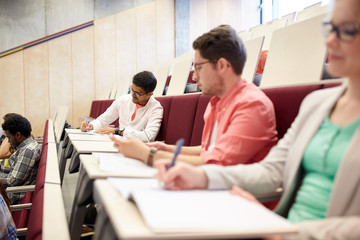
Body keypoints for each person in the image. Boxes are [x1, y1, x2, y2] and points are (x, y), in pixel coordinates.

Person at [155, 0, 360, 239]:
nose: (328, 42)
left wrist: (282, 232)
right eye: (329, 29)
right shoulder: (317, 104)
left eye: (345, 30)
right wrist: (201, 177)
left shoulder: (252, 102)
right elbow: (273, 171)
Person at [111, 25, 278, 167]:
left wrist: (148, 155)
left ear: (221, 66)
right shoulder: (216, 103)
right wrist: (168, 149)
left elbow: (218, 163)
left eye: (198, 67)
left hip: (239, 198)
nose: (194, 77)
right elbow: (209, 149)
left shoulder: (253, 104)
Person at [80, 70, 163, 142]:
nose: (133, 95)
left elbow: (148, 137)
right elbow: (104, 119)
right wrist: (90, 126)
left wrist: (118, 131)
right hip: (119, 143)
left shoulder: (156, 108)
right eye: (132, 90)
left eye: (137, 93)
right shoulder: (122, 100)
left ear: (149, 94)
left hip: (137, 149)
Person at [0, 115, 41, 204]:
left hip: (14, 196)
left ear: (18, 135)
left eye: (9, 137)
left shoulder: (28, 151)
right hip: (13, 192)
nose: (9, 141)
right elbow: (16, 170)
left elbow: (13, 181)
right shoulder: (28, 146)